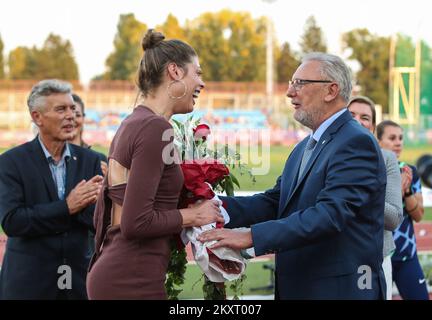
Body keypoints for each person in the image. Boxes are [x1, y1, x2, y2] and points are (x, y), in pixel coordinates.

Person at [198, 52, 387, 299]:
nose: (289, 92)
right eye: (291, 83)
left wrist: (250, 236)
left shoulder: (356, 142)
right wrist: (215, 208)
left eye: (300, 83)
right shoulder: (304, 147)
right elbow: (276, 202)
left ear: (331, 91)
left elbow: (330, 215)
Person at [86, 29, 224, 300]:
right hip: (130, 278)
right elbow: (136, 222)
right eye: (197, 72)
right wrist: (196, 215)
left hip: (122, 271)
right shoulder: (153, 127)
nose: (202, 82)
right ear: (174, 71)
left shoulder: (135, 122)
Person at [0, 79, 104, 299]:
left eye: (73, 109)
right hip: (28, 286)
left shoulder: (93, 161)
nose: (70, 115)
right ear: (37, 117)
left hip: (78, 284)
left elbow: (99, 223)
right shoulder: (10, 163)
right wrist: (67, 207)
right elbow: (13, 221)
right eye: (61, 109)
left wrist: (108, 197)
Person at [348, 96, 403, 299]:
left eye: (365, 117)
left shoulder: (386, 159)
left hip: (375, 259)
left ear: (372, 127)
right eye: (351, 115)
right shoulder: (325, 155)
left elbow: (393, 219)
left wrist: (363, 188)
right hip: (335, 259)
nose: (357, 120)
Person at [376, 120, 429, 300]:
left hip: (407, 255)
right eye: (392, 138)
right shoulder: (372, 170)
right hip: (380, 257)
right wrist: (397, 190)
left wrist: (407, 192)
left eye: (400, 138)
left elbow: (419, 215)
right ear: (378, 141)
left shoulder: (410, 171)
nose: (398, 142)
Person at [69, 93, 108, 257]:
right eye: (66, 113)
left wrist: (111, 183)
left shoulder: (99, 160)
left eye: (76, 114)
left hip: (89, 243)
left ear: (83, 118)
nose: (71, 119)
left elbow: (107, 210)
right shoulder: (51, 160)